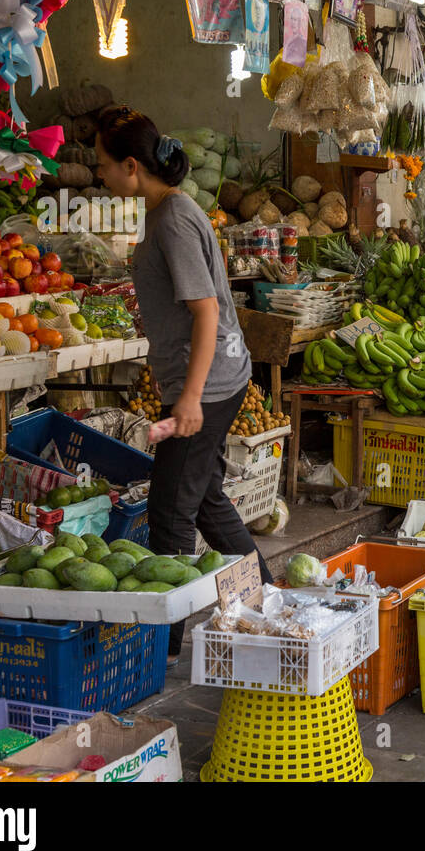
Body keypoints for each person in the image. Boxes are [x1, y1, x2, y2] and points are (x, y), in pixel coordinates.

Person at [95, 105, 272, 663]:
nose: (97, 174)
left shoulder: (171, 220)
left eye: (102, 165)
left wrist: (189, 398)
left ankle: (159, 649)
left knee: (170, 513)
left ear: (131, 165)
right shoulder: (173, 209)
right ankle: (268, 600)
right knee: (204, 501)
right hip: (217, 377)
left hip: (209, 385)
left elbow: (203, 312)